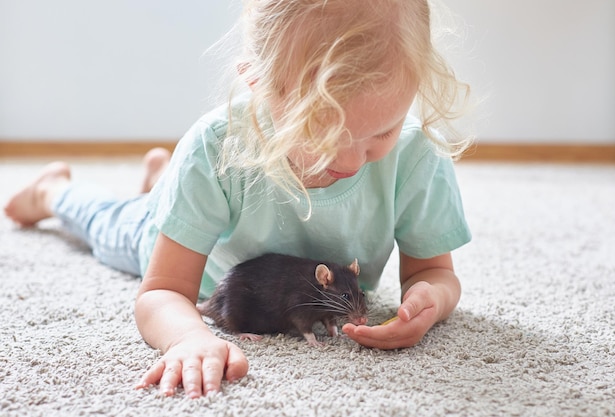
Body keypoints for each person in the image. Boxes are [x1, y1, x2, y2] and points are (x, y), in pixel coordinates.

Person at [4, 0, 473, 398]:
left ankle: (161, 180)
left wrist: (429, 299)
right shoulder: (217, 147)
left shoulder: (416, 155)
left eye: (381, 131)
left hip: (216, 214)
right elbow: (162, 291)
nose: (353, 159)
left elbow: (434, 273)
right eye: (324, 132)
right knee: (109, 224)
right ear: (258, 84)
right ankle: (53, 191)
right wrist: (188, 336)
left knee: (178, 194)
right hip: (193, 257)